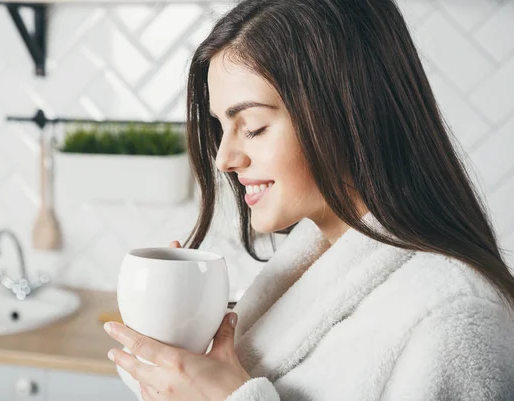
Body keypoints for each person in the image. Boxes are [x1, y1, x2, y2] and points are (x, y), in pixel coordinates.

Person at [103, 0, 514, 400]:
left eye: (254, 127)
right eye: (221, 125)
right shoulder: (306, 279)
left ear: (348, 113)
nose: (225, 158)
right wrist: (180, 343)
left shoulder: (456, 318)